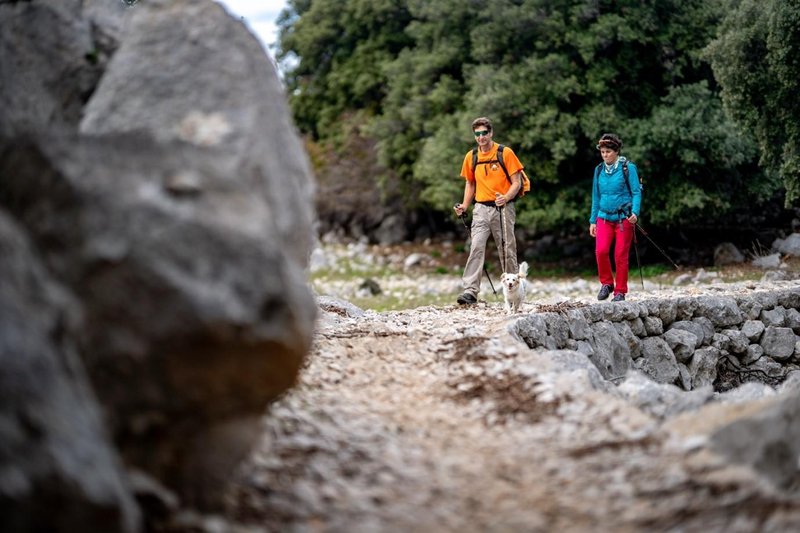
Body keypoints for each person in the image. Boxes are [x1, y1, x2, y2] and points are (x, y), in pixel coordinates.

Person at [454, 117, 525, 305]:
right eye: (477, 134)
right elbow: (470, 183)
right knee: (476, 246)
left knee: (507, 248)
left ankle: (513, 292)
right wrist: (464, 205)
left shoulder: (505, 153)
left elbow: (517, 182)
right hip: (480, 208)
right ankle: (470, 292)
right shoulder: (471, 157)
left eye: (484, 133)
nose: (481, 137)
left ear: (491, 133)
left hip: (503, 208)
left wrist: (506, 197)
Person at [588, 133, 642, 302]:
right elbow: (596, 197)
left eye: (608, 152)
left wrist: (635, 212)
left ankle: (620, 291)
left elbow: (636, 192)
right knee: (601, 251)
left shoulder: (628, 168)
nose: (605, 155)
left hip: (623, 219)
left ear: (616, 151)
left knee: (620, 255)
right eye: (603, 152)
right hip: (603, 217)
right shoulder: (598, 170)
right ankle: (606, 284)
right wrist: (592, 220)